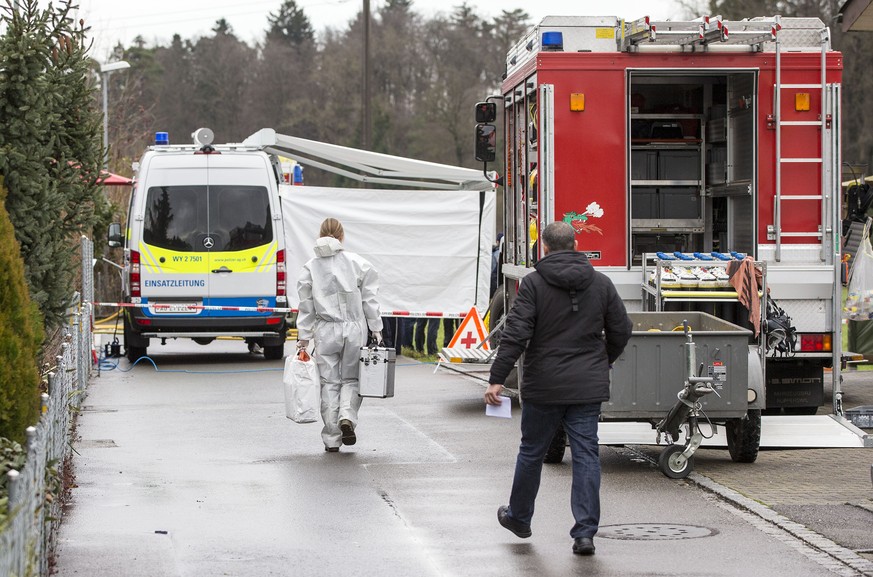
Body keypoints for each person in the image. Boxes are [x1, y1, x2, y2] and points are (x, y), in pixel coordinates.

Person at [484, 221, 632, 556]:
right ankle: (584, 534)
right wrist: (602, 359)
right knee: (585, 455)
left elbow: (516, 335)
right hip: (586, 387)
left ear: (545, 248)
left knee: (532, 451)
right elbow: (622, 329)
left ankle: (520, 518)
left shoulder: (533, 285)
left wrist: (496, 378)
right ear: (576, 244)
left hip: (543, 385)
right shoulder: (601, 284)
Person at [296, 218, 383, 452]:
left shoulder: (310, 267)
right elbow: (370, 300)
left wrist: (303, 339)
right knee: (352, 379)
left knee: (329, 383)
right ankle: (347, 416)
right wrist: (376, 329)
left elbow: (306, 307)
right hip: (354, 328)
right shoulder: (359, 264)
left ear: (320, 234)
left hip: (325, 330)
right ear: (342, 237)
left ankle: (332, 439)